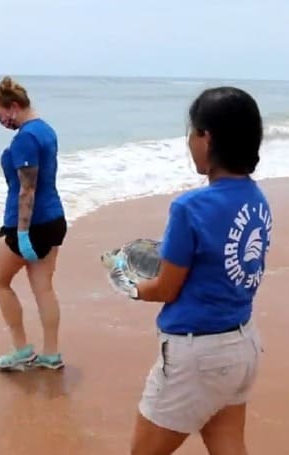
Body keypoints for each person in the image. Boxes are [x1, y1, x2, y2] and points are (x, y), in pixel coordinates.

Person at [111, 86, 271, 454]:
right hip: (242, 344)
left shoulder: (190, 207)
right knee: (228, 445)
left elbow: (166, 288)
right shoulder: (256, 199)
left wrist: (128, 283)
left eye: (192, 132)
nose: (189, 142)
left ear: (207, 137)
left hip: (198, 353)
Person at [0, 76, 67, 371]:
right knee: (43, 288)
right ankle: (51, 354)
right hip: (54, 219)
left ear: (15, 106)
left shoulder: (25, 139)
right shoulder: (46, 130)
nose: (1, 121)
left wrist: (21, 234)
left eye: (1, 115)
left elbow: (27, 190)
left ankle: (21, 349)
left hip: (29, 224)